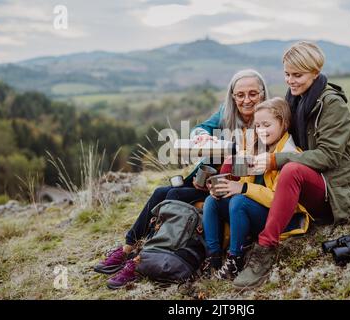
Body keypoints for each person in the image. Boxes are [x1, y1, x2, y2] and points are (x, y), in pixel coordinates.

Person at [93, 69, 270, 289]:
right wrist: (201, 137)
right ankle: (128, 248)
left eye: (253, 94)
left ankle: (143, 257)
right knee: (160, 193)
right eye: (240, 94)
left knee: (174, 195)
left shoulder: (268, 119)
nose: (246, 100)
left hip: (235, 189)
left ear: (263, 93)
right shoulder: (226, 112)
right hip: (211, 180)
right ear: (232, 96)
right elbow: (200, 128)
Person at [233, 41, 350, 289]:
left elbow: (329, 156)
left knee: (291, 169)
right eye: (287, 74)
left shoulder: (332, 104)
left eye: (297, 75)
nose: (291, 80)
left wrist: (276, 160)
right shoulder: (294, 99)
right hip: (302, 182)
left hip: (332, 188)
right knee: (269, 167)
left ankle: (265, 250)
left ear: (315, 72)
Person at [202, 97, 305, 280]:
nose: (261, 130)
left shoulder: (290, 156)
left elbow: (278, 199)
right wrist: (223, 187)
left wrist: (242, 187)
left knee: (239, 201)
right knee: (212, 201)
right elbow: (240, 180)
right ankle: (214, 257)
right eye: (257, 125)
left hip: (281, 219)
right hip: (254, 212)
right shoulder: (256, 149)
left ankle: (236, 258)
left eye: (267, 124)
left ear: (284, 124)